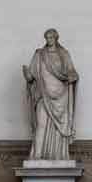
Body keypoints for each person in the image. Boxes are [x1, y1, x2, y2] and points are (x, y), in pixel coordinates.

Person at [23, 29, 79, 160]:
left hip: (61, 96)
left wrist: (73, 77)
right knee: (41, 124)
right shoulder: (39, 54)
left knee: (57, 129)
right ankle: (37, 156)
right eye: (47, 37)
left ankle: (58, 155)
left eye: (51, 37)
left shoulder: (64, 54)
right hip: (43, 95)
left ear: (56, 38)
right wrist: (26, 74)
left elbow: (72, 72)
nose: (49, 40)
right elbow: (31, 76)